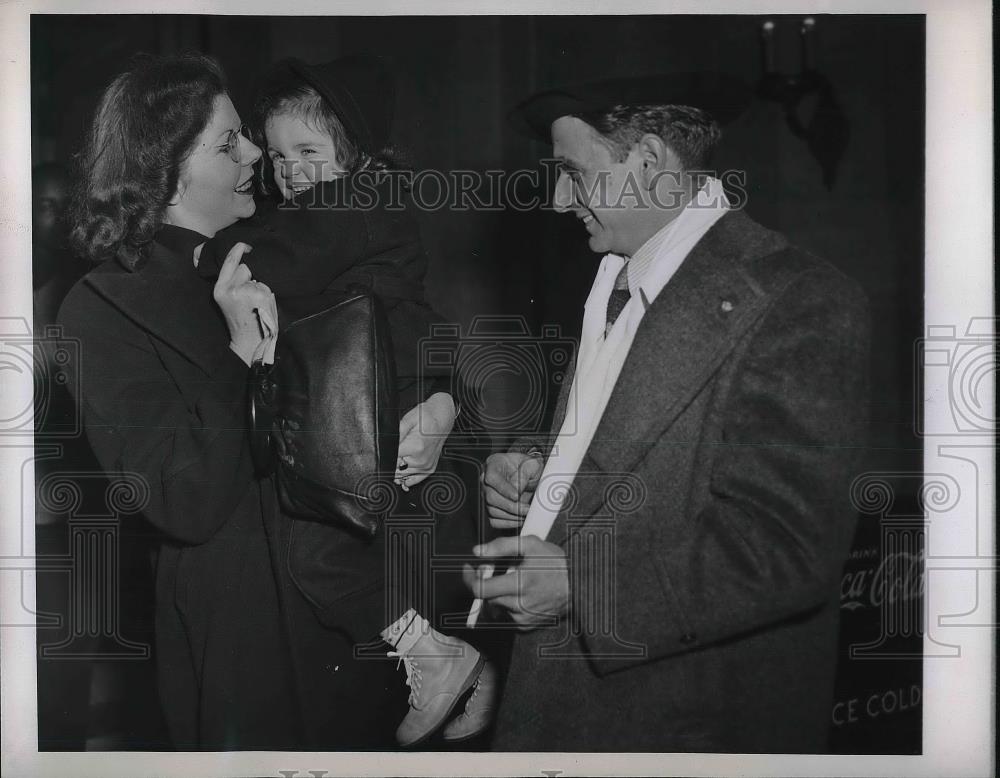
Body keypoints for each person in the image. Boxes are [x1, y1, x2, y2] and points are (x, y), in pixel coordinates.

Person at [467, 74, 871, 752]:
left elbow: (787, 546)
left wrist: (583, 583)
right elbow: (625, 431)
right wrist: (541, 468)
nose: (560, 198)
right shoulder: (617, 273)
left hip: (674, 725)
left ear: (649, 162)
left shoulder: (801, 298)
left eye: (573, 173)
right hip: (569, 699)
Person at [57, 53, 401, 750]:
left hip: (355, 601)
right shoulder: (100, 307)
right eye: (227, 143)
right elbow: (183, 500)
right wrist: (240, 356)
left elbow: (401, 317)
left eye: (246, 134)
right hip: (240, 627)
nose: (255, 154)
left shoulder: (294, 242)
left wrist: (441, 403)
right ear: (165, 171)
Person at [195, 55, 496, 747]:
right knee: (359, 547)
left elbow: (275, 259)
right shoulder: (343, 208)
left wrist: (203, 256)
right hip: (385, 387)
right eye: (276, 155)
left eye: (309, 150)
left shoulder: (353, 202)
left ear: (357, 157)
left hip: (387, 389)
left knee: (321, 554)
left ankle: (437, 656)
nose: (290, 170)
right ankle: (460, 674)